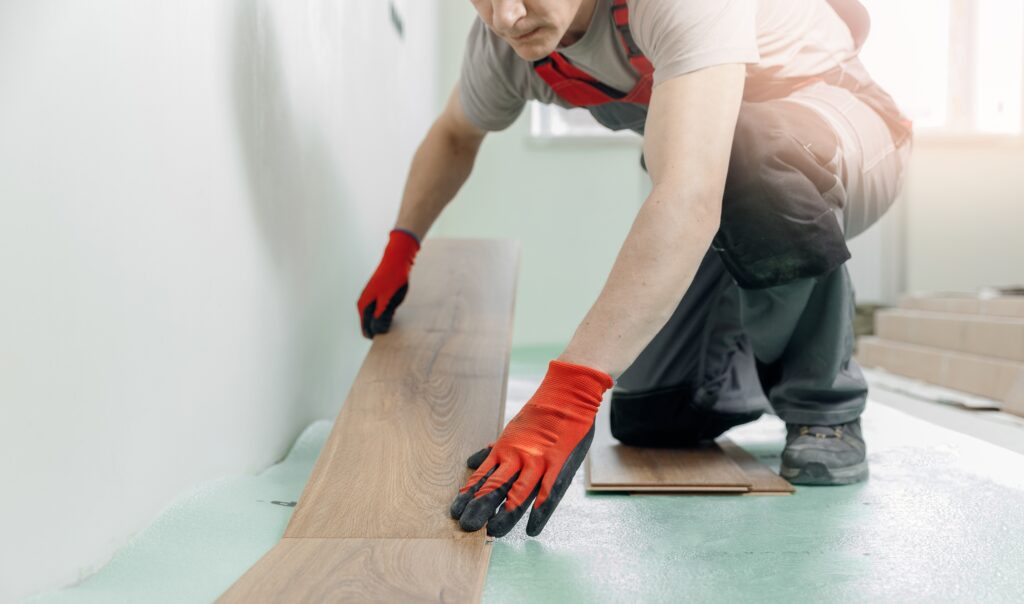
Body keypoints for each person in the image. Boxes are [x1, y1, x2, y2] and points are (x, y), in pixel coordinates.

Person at [357, 0, 913, 538]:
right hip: (729, 196)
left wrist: (568, 394)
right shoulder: (506, 45)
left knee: (746, 150)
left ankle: (824, 407)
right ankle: (763, 342)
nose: (506, 16)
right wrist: (401, 249)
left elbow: (689, 198)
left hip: (841, 131)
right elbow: (456, 134)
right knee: (654, 419)